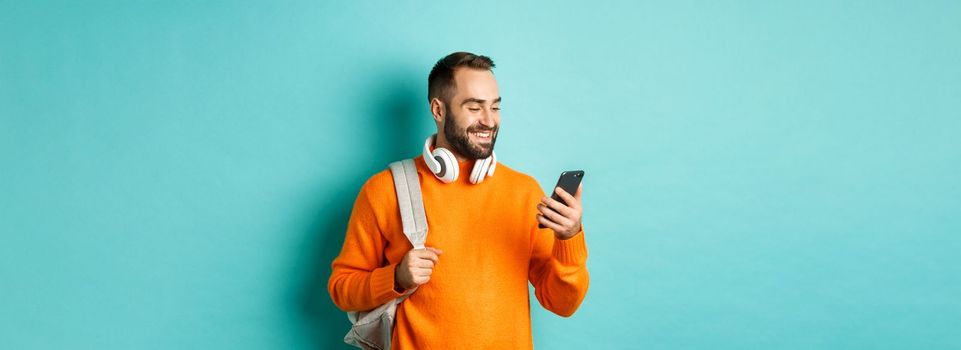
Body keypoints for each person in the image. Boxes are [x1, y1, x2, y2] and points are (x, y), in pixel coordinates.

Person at [328, 51, 589, 349]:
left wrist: (569, 237)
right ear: (438, 110)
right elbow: (341, 288)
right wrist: (396, 277)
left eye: (495, 107)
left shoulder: (524, 191)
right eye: (475, 107)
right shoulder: (385, 189)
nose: (489, 121)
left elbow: (563, 304)